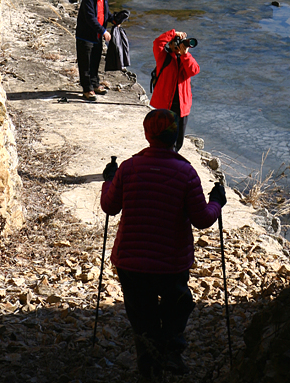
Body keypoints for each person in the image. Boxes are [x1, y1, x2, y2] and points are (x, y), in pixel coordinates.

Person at [101, 109, 227, 379]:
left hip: (131, 263)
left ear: (148, 135)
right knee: (179, 305)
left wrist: (108, 181)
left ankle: (149, 370)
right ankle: (171, 350)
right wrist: (217, 201)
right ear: (175, 135)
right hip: (171, 264)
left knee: (143, 319)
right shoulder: (186, 173)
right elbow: (203, 219)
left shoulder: (128, 167)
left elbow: (109, 207)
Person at [150, 29, 199, 151]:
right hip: (165, 104)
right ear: (170, 44)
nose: (178, 46)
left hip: (182, 106)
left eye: (180, 42)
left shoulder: (185, 58)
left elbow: (194, 70)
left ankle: (172, 159)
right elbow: (157, 42)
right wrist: (174, 33)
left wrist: (185, 55)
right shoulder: (163, 57)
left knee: (178, 140)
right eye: (175, 43)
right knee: (162, 136)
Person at [75, 0, 119, 101]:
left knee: (95, 62)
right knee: (85, 64)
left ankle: (95, 84)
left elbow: (105, 14)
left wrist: (114, 20)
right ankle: (87, 89)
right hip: (85, 37)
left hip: (97, 36)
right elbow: (90, 19)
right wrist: (103, 31)